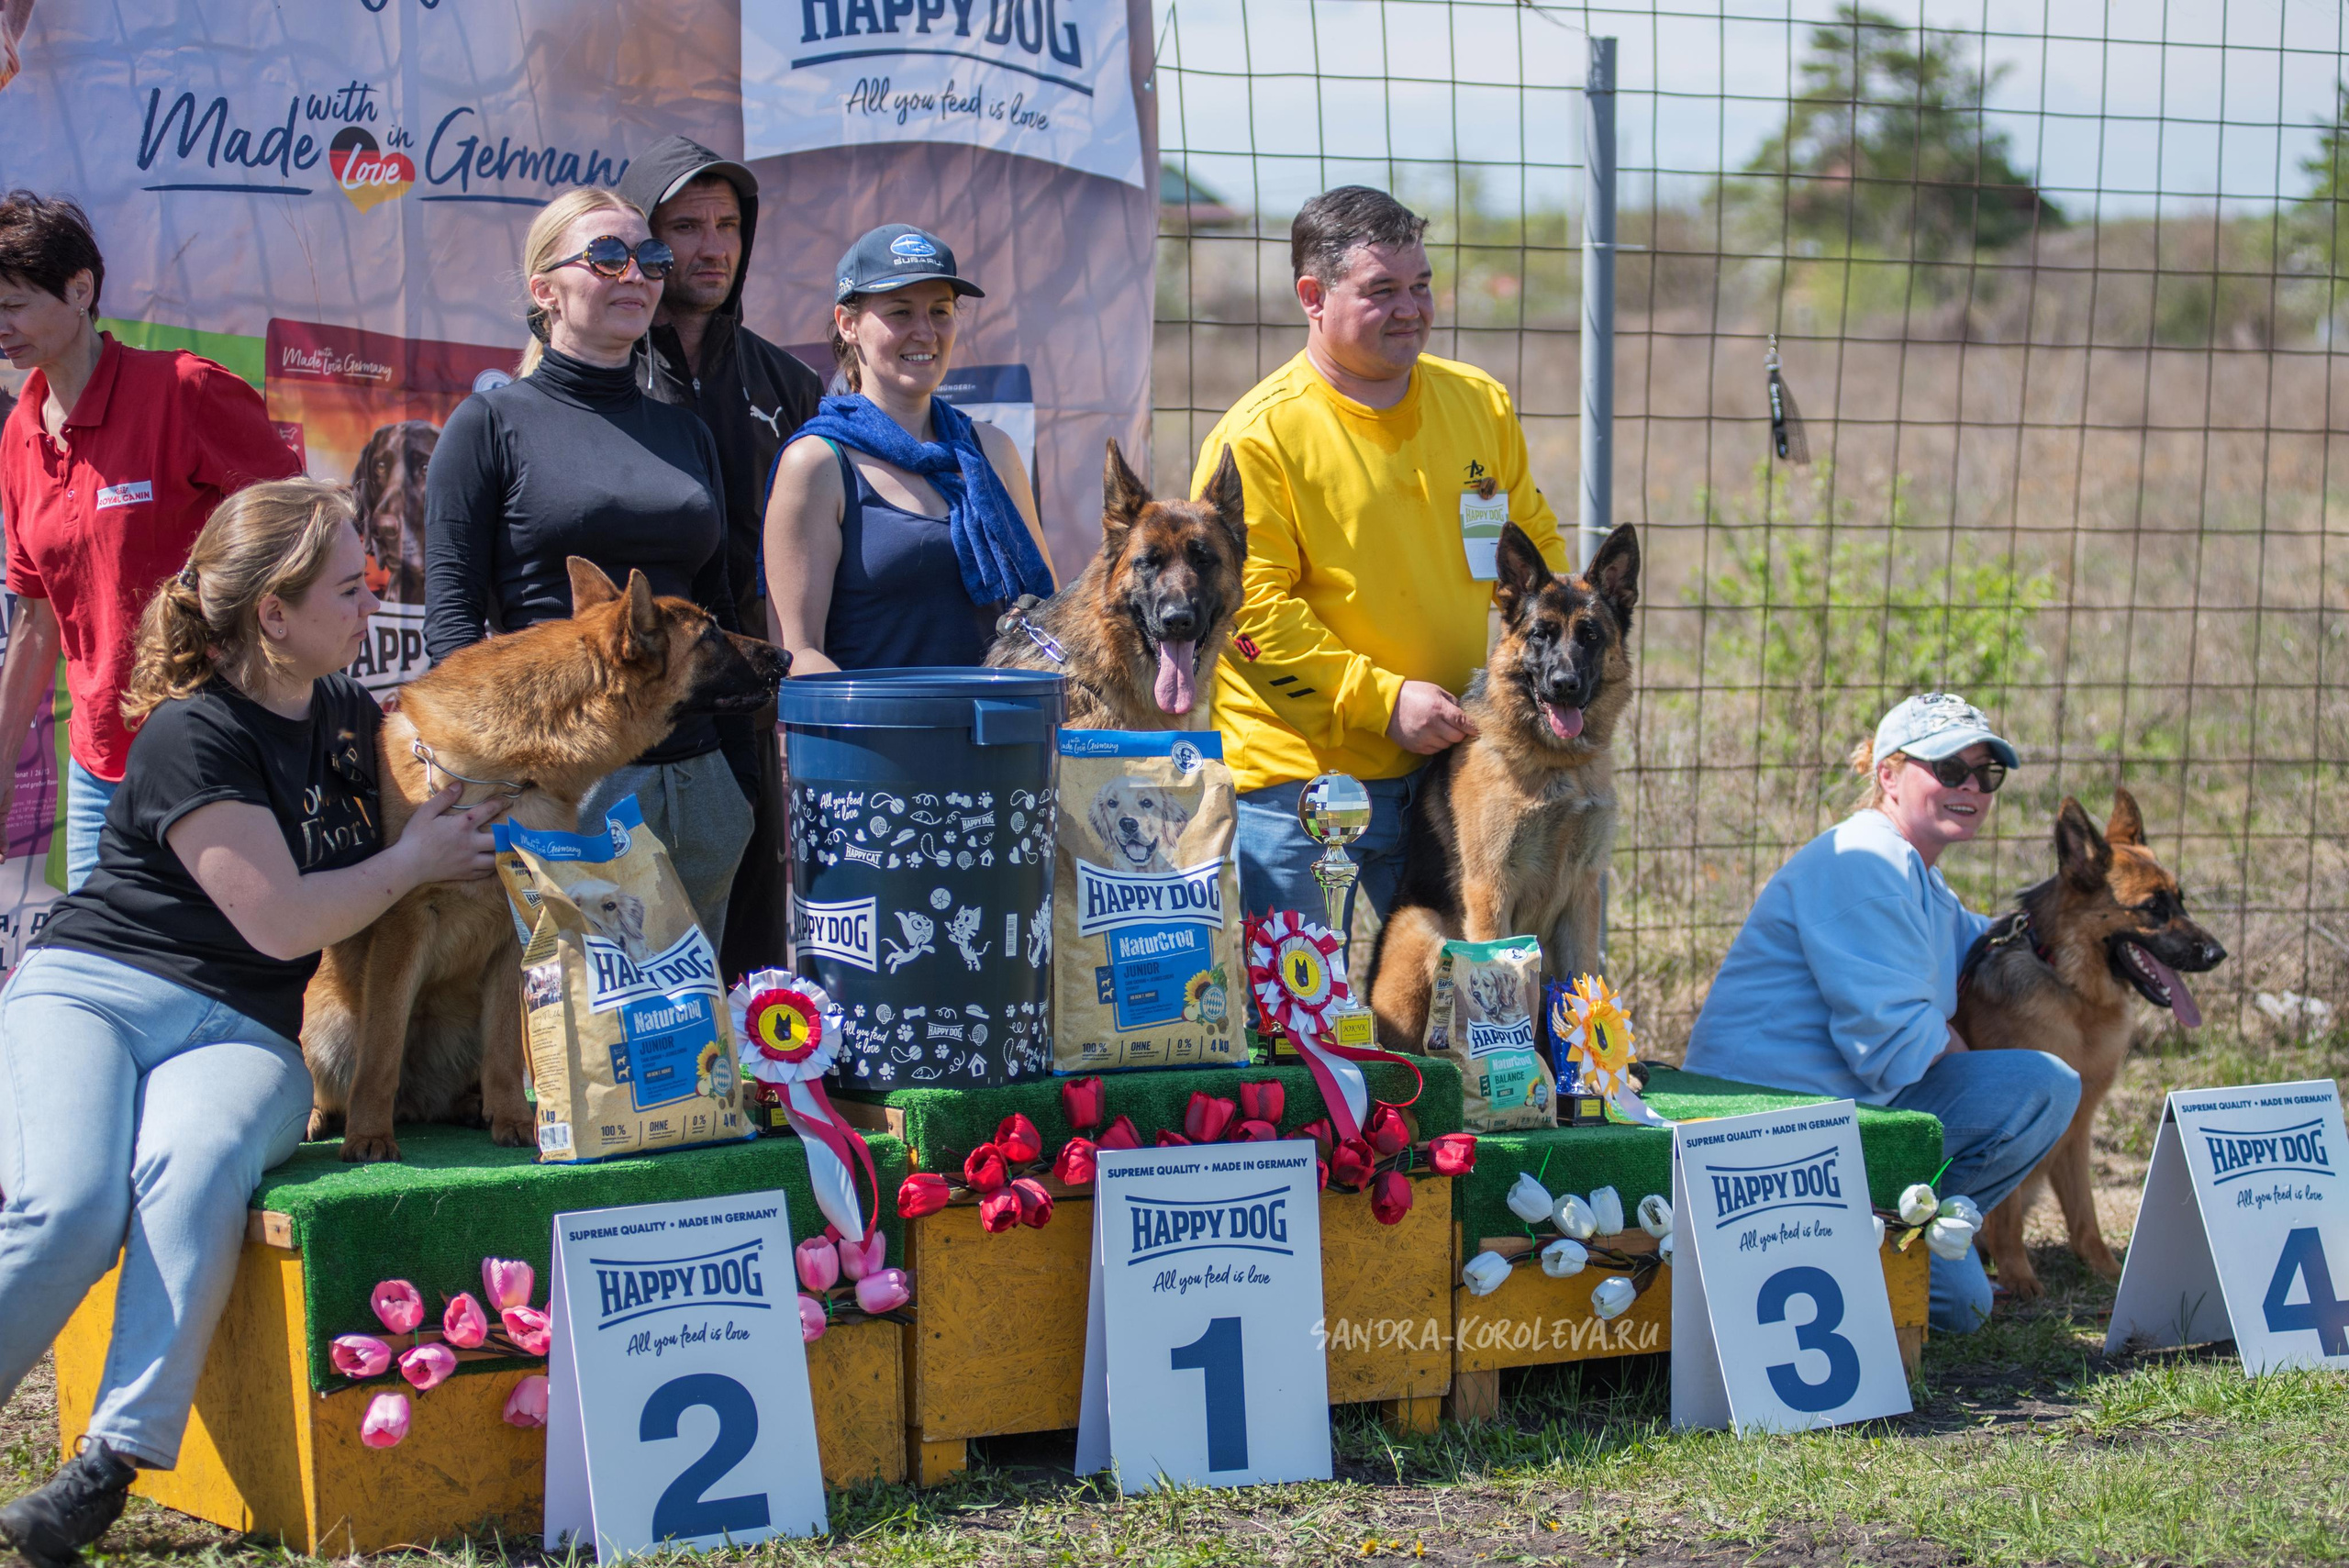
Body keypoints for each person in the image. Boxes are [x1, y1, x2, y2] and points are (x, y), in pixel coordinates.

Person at [0, 479, 501, 1568]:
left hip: (240, 1031)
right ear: (272, 613)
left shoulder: (353, 722)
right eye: (348, 588)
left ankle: (107, 1465)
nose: (372, 602)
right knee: (72, 1204)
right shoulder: (192, 731)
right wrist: (415, 858)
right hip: (95, 988)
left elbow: (448, 821)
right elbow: (280, 922)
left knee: (197, 1166)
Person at [1191, 185, 1572, 924]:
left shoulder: (1480, 405)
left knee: (1438, 1011)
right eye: (1382, 290)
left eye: (1422, 284)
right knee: (1300, 1029)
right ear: (1313, 295)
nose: (1412, 308)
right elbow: (1245, 613)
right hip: (1299, 788)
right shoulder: (1258, 439)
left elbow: (1538, 563)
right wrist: (1384, 701)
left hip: (1450, 765)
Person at [1682, 693, 2082, 1333]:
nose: (1973, 787)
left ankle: (1914, 1237)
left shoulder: (1916, 874)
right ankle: (1897, 1238)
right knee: (2039, 1093)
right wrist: (1967, 1048)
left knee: (2043, 1091)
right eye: (1950, 770)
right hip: (1767, 1136)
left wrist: (2077, 925)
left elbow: (1982, 944)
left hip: (1835, 1121)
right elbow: (1898, 1049)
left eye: (1987, 774)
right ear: (1888, 776)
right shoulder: (1868, 862)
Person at [424, 186, 751, 947]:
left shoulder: (686, 432)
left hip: (701, 782)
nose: (635, 275)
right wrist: (491, 789)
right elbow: (450, 625)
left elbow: (717, 613)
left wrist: (737, 788)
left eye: (651, 258)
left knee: (688, 1040)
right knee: (574, 1041)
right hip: (565, 783)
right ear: (545, 291)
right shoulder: (490, 424)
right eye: (607, 256)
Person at [0, 190, 302, 892]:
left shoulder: (183, 390)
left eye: (12, 304)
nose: (0, 325)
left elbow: (304, 534)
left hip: (214, 750)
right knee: (98, 970)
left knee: (230, 976)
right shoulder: (19, 434)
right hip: (99, 768)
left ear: (81, 290)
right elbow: (36, 623)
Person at [617, 138, 823, 981]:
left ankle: (754, 1084)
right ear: (646, 241)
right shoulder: (603, 373)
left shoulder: (787, 385)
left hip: (744, 695)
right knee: (619, 929)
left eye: (728, 226)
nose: (713, 248)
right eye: (687, 226)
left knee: (747, 936)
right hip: (624, 695)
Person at [763, 223, 1054, 676]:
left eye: (940, 311)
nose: (925, 332)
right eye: (900, 313)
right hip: (876, 740)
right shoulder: (817, 463)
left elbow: (1045, 616)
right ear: (848, 324)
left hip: (998, 735)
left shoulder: (991, 451)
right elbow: (797, 653)